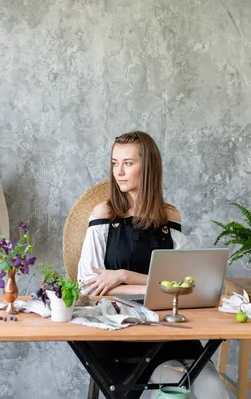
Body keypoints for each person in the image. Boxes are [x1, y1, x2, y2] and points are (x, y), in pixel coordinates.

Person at [76, 132, 229, 399]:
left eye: (128, 163)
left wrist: (123, 276)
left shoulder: (169, 216)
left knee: (213, 388)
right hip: (118, 330)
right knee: (172, 382)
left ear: (148, 168)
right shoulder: (105, 214)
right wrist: (159, 287)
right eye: (114, 163)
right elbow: (88, 286)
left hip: (167, 327)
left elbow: (187, 284)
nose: (118, 172)